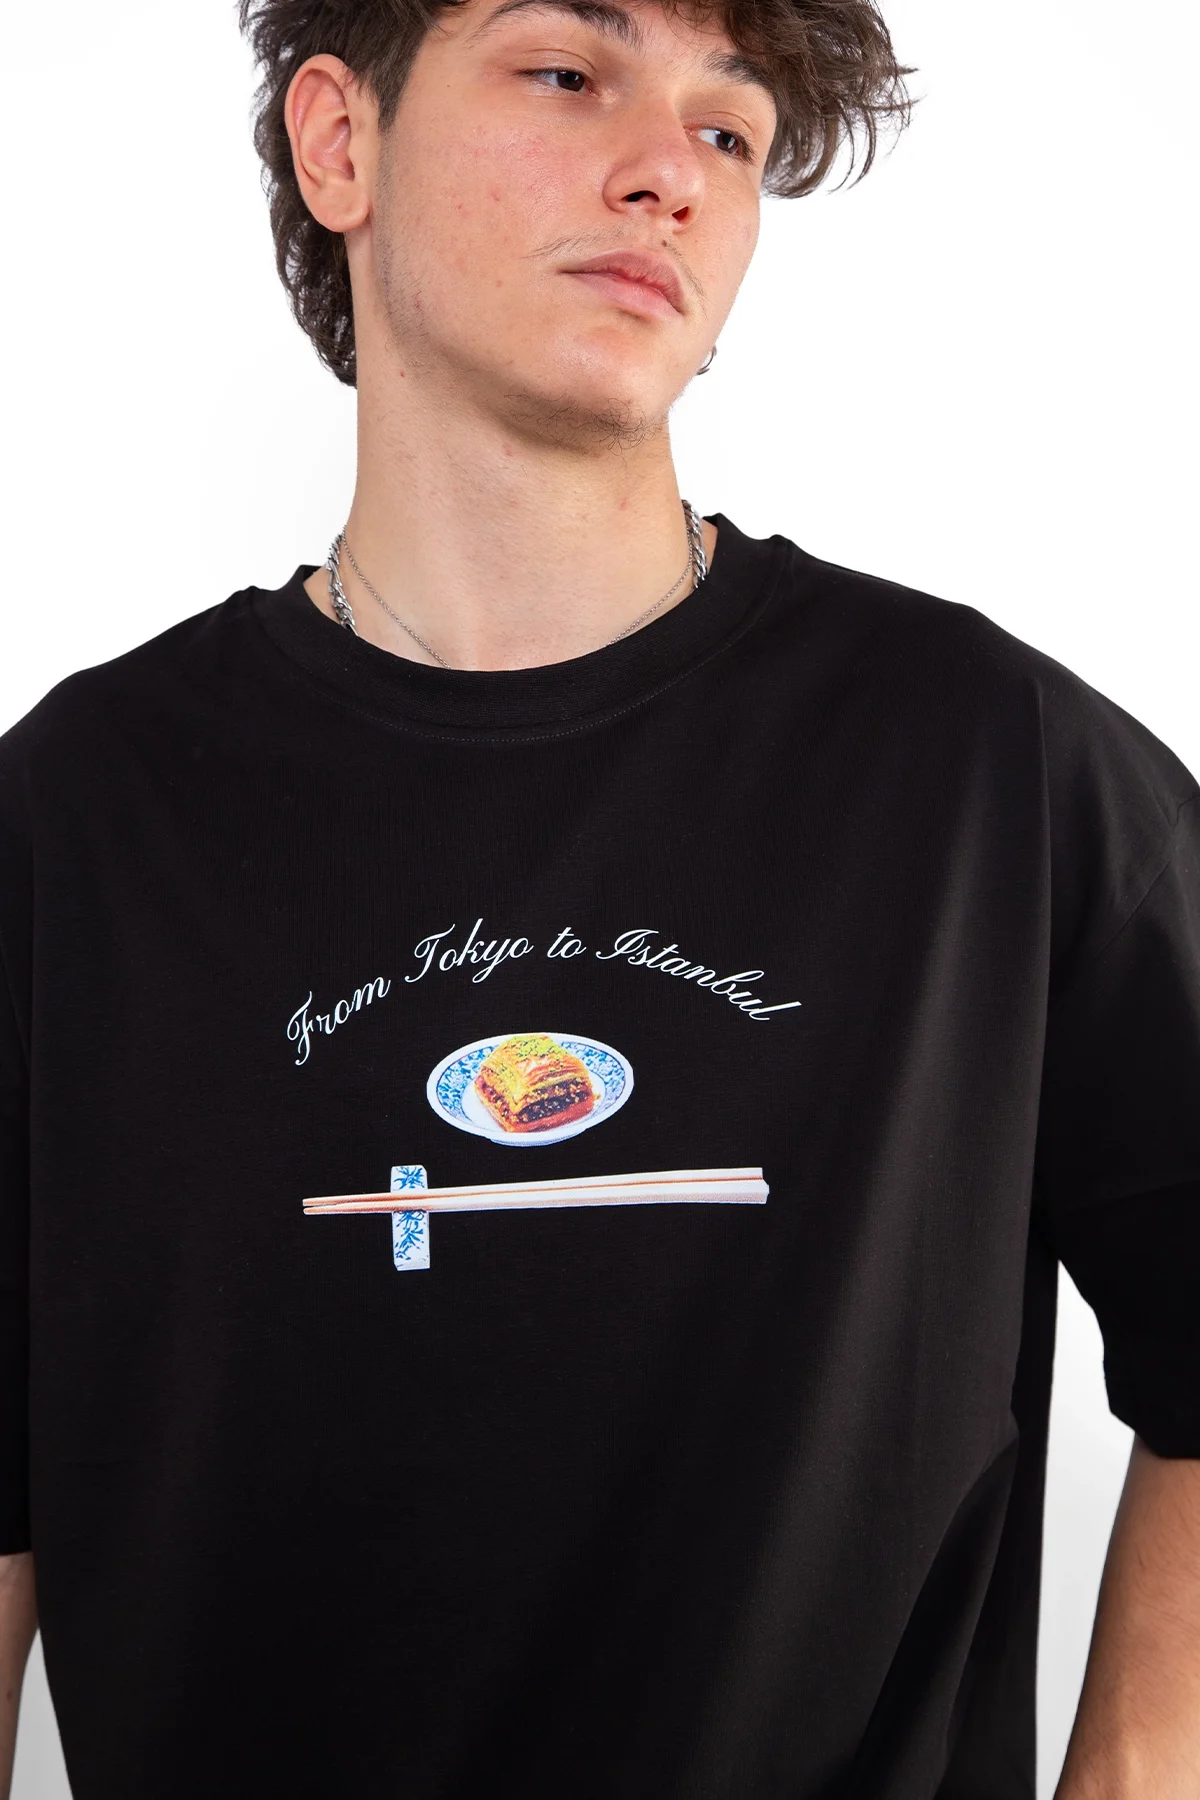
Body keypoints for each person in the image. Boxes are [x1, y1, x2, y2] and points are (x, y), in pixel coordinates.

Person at [1, 0, 1197, 1791]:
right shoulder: (77, 817)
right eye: (569, 74)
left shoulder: (986, 767)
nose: (668, 176)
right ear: (341, 142)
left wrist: (1135, 1775)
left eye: (729, 131)